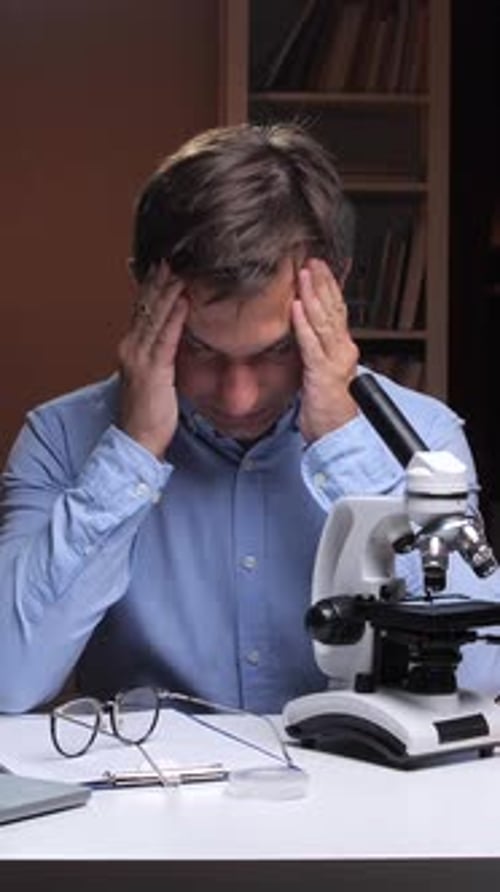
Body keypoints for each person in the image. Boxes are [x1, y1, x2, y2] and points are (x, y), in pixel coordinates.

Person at [0, 122, 498, 716]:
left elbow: (480, 678)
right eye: (202, 350)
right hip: (146, 801)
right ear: (144, 294)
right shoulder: (60, 440)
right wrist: (131, 452)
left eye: (275, 351)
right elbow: (9, 678)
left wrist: (343, 440)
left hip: (360, 799)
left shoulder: (425, 444)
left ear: (332, 292)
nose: (238, 397)